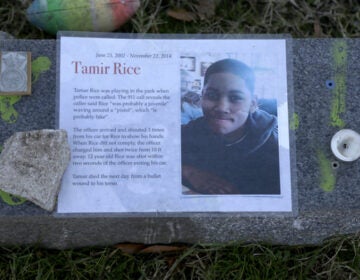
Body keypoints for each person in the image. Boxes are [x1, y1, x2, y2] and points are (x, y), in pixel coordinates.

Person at [181, 58, 280, 195]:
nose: (222, 107)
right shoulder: (190, 132)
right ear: (202, 97)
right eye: (211, 95)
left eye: (235, 98)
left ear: (252, 103)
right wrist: (188, 172)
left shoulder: (276, 150)